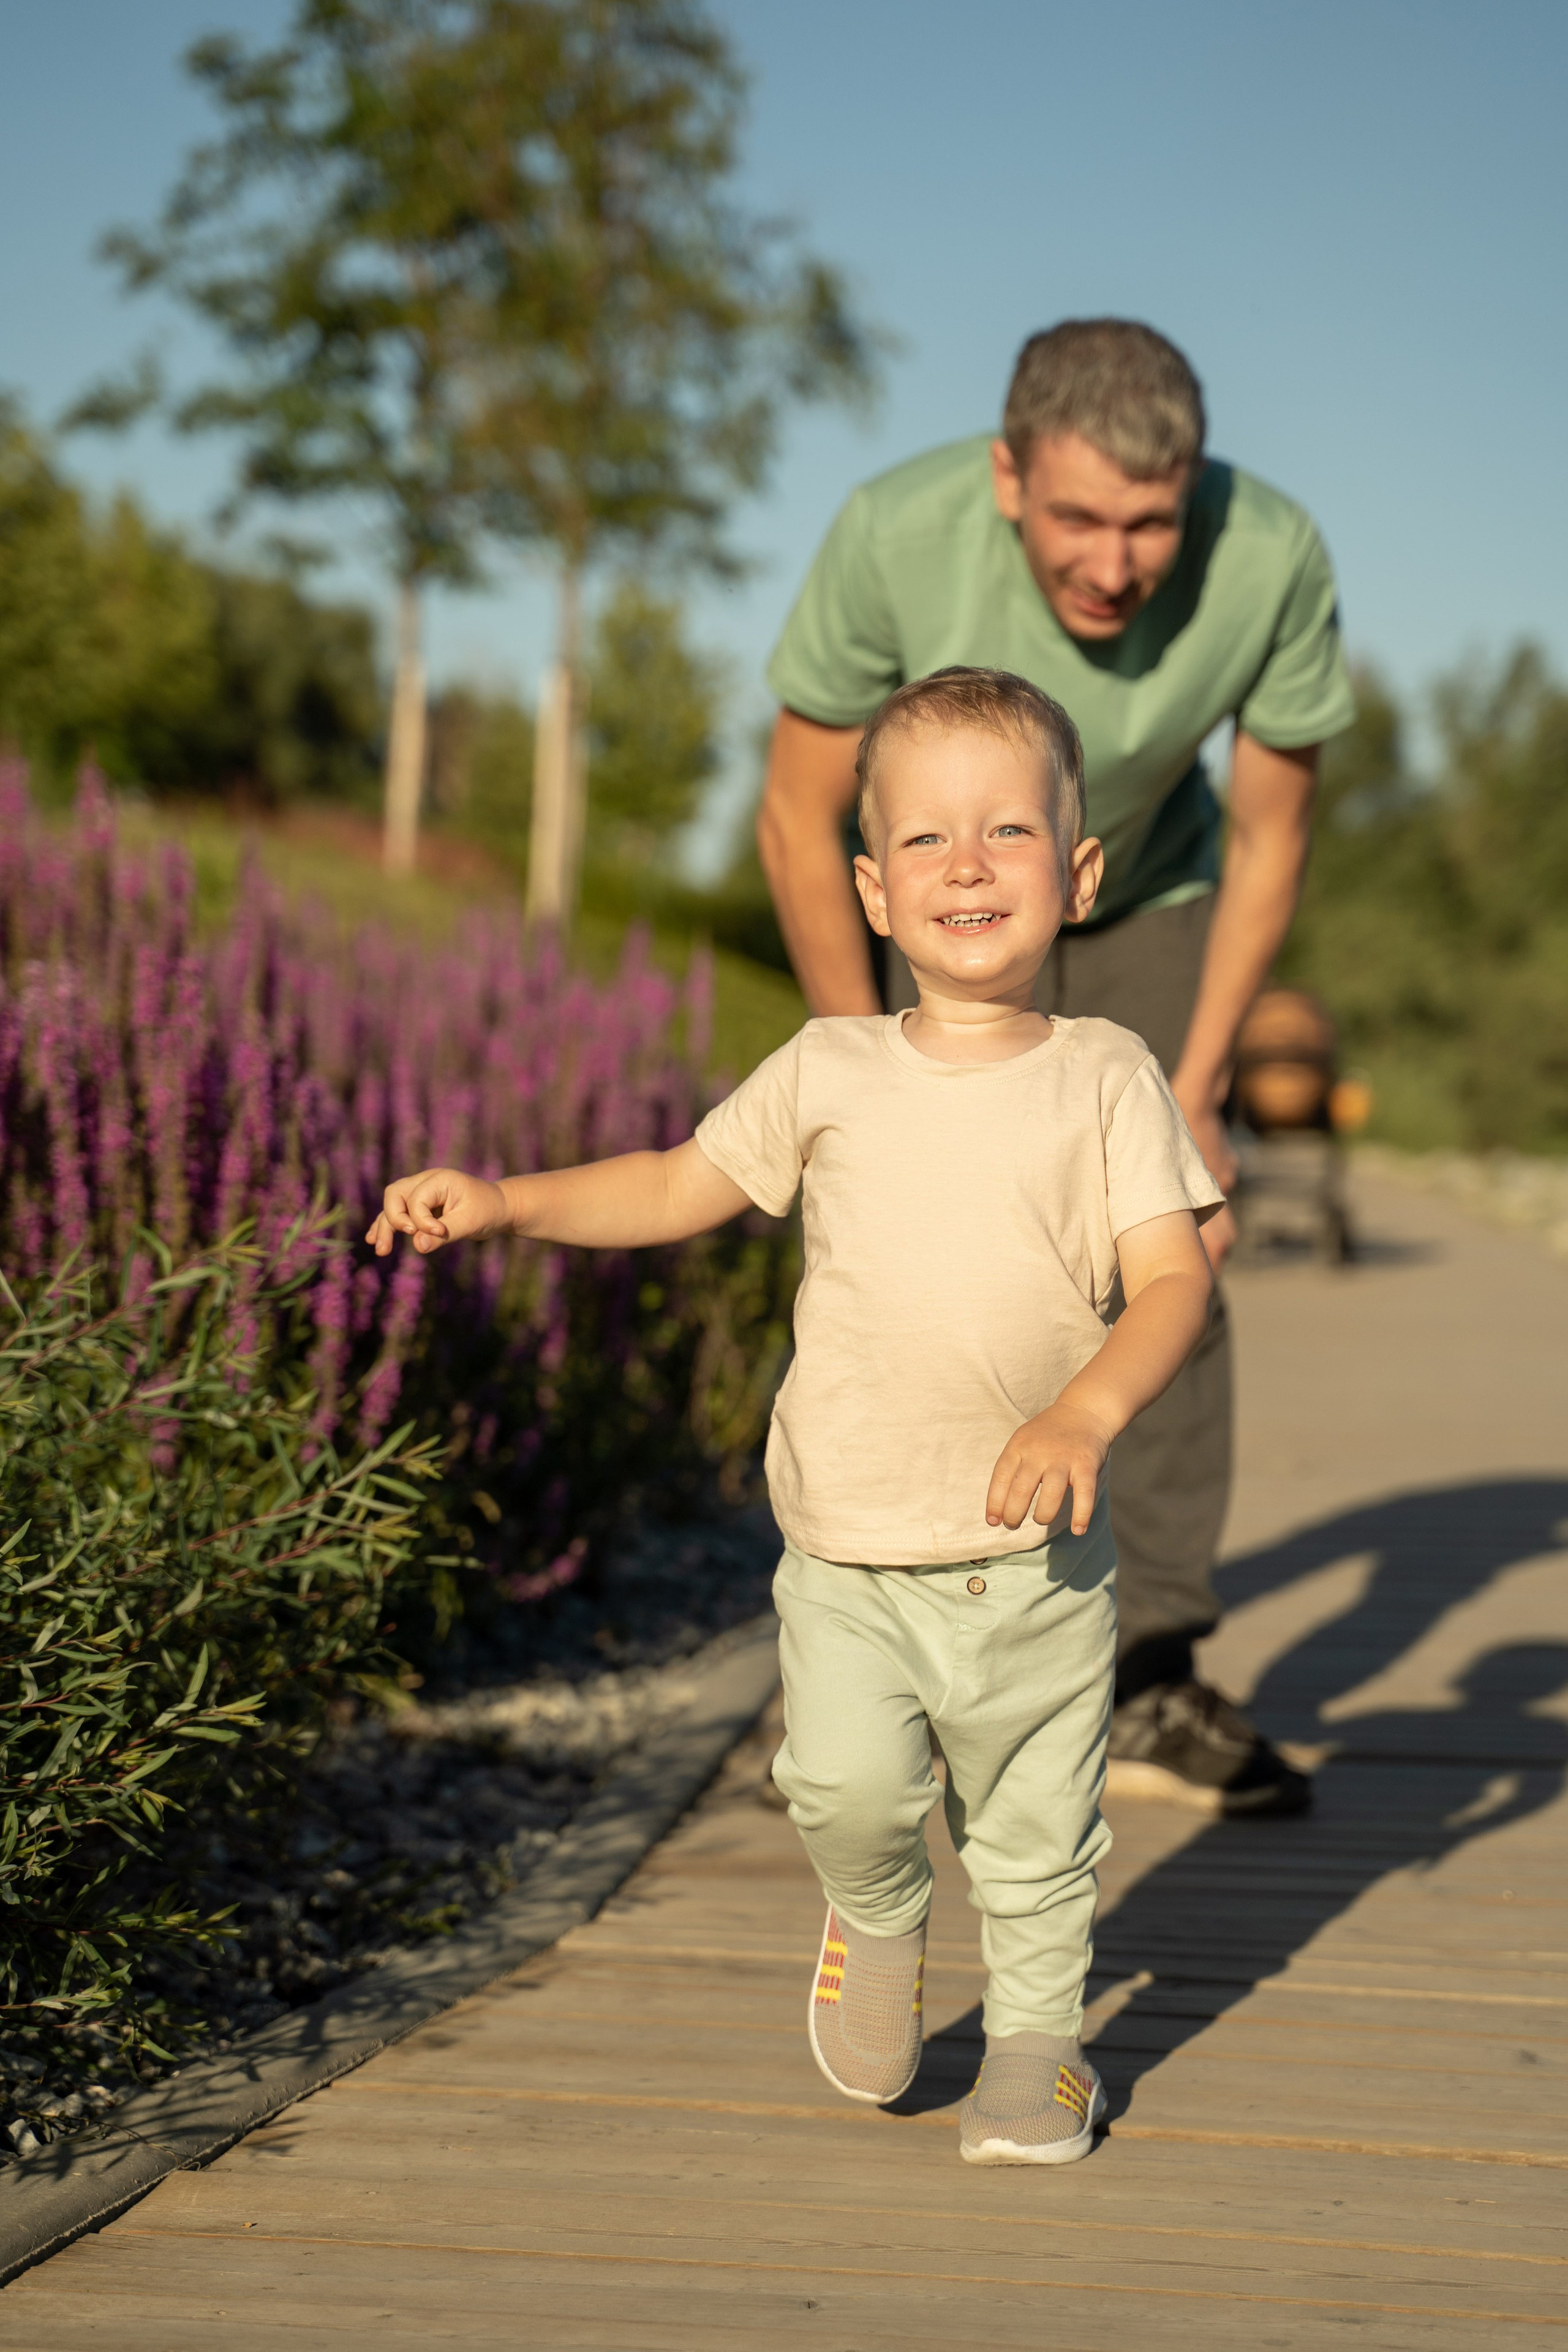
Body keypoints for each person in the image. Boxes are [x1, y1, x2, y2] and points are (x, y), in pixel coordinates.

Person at [368, 666, 1222, 2166]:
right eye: (926, 840)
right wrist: (506, 1203)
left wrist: (1087, 1412)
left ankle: (1035, 2053)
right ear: (869, 891)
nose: (967, 863)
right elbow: (673, 1185)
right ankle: (880, 1910)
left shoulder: (1107, 1079)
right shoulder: (828, 1068)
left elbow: (1170, 1283)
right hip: (846, 1548)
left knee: (1033, 1842)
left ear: (1077, 875)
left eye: (1009, 830)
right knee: (838, 1784)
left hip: (1034, 1557)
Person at [756, 319, 1355, 1815]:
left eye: (1151, 523)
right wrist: (849, 1061)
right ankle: (875, 1632)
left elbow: (1273, 831)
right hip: (949, 896)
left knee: (1171, 1246)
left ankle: (1148, 1671)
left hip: (1149, 896)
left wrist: (1199, 1080)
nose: (1113, 562)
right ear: (1007, 475)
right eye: (1077, 518)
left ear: (1196, 493)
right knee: (912, 1240)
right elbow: (794, 808)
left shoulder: (1272, 555)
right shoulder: (894, 535)